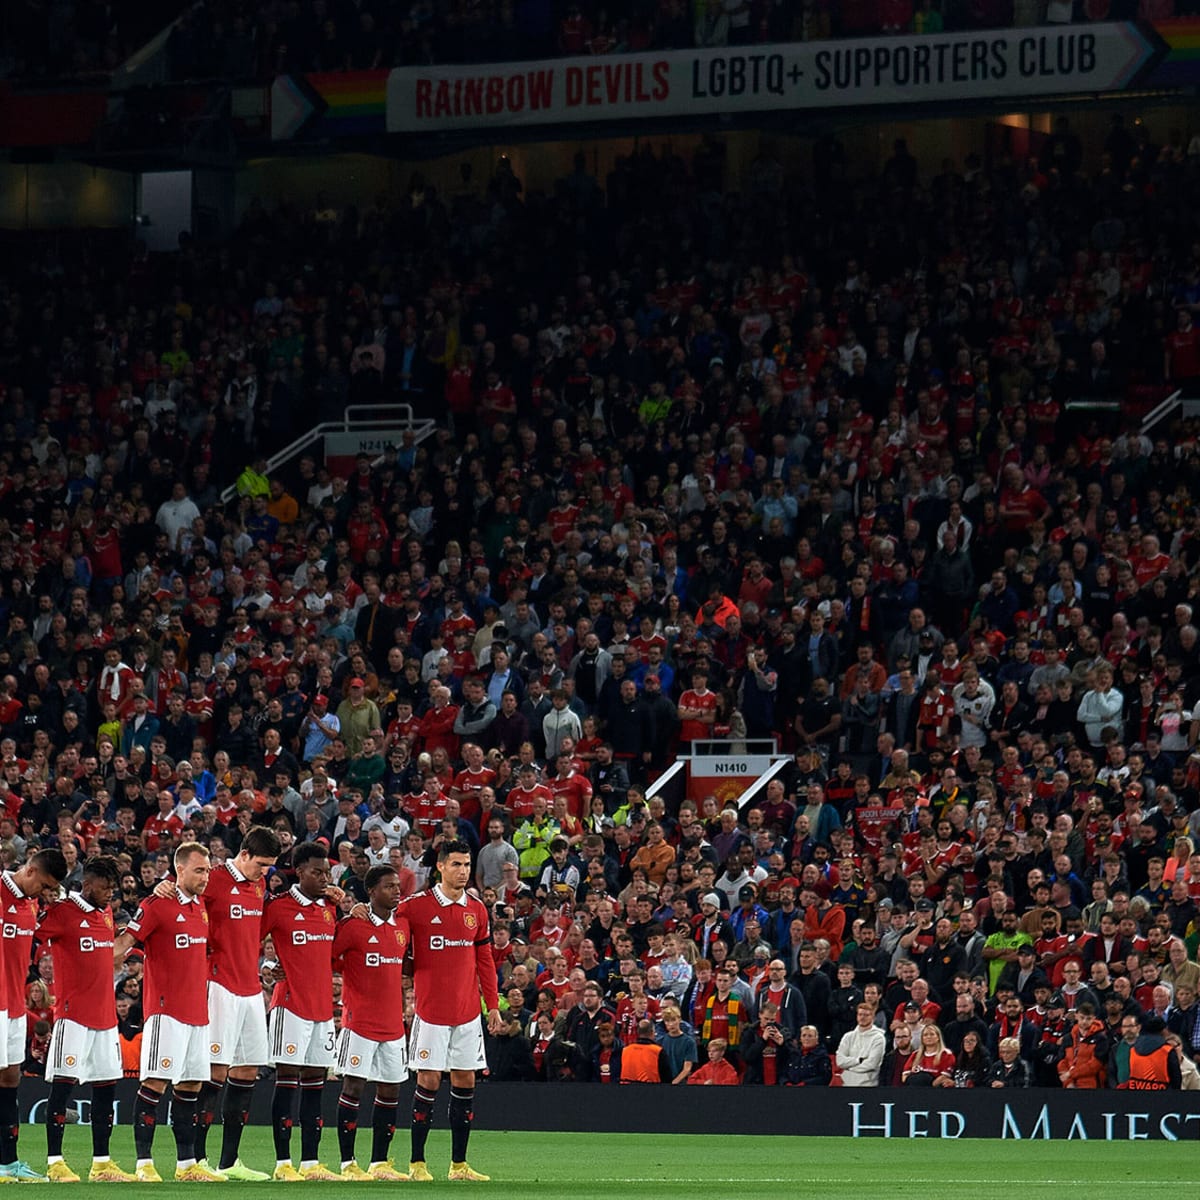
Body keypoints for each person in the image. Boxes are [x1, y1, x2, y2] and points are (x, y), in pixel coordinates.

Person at [116, 842, 224, 1182]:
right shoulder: (157, 904)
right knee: (154, 1084)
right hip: (165, 1013)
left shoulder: (202, 907)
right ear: (180, 871)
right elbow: (123, 944)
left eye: (207, 870)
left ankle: (186, 1165)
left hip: (198, 1014)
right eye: (198, 870)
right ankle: (144, 1165)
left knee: (190, 1087)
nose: (205, 877)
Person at [398, 839, 502, 1183]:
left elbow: (484, 961)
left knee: (465, 1081)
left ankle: (459, 1166)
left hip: (468, 1013)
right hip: (430, 1013)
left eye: (467, 865)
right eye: (456, 864)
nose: (463, 871)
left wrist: (492, 1005)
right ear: (440, 866)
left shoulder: (477, 909)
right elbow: (386, 930)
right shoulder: (414, 907)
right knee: (427, 1081)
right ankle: (417, 1163)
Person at [38, 855, 136, 1183]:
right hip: (73, 1016)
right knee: (62, 1090)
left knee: (106, 1090)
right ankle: (54, 1163)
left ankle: (102, 1163)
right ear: (88, 884)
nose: (111, 894)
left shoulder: (106, 914)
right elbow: (34, 933)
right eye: (105, 888)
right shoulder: (64, 913)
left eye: (113, 888)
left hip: (106, 1018)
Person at [190, 826, 281, 1179]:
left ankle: (229, 1162)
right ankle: (196, 1161)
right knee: (214, 1072)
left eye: (270, 867)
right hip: (218, 986)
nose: (265, 873)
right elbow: (180, 899)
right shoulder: (211, 880)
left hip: (251, 989)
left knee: (246, 1072)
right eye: (261, 864)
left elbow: (252, 935)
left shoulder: (258, 885)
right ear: (243, 854)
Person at [260, 842, 346, 1181]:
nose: (324, 878)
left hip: (322, 1009)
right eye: (317, 872)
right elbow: (251, 940)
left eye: (327, 872)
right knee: (287, 1082)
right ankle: (283, 1164)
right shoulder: (278, 907)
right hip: (290, 1006)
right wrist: (267, 966)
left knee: (315, 1084)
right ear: (299, 872)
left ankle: (311, 1163)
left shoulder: (329, 909)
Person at [332, 866, 410, 1180]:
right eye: (389, 887)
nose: (397, 891)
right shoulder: (353, 926)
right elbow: (325, 957)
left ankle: (380, 1163)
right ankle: (347, 1163)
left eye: (397, 885)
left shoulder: (403, 925)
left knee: (390, 1091)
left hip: (393, 1024)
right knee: (353, 1086)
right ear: (372, 892)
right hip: (359, 1021)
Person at [0, 847, 67, 1181]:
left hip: (13, 1006)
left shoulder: (30, 906)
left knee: (10, 1079)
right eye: (44, 885)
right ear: (29, 871)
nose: (46, 893)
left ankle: (8, 1163)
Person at [835, 1001, 887, 1086]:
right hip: (847, 1084)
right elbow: (840, 1061)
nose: (862, 1017)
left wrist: (849, 1067)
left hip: (868, 1085)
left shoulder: (878, 1038)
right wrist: (858, 1060)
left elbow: (871, 1064)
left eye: (866, 1015)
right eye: (860, 1014)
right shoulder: (848, 1036)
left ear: (873, 1017)